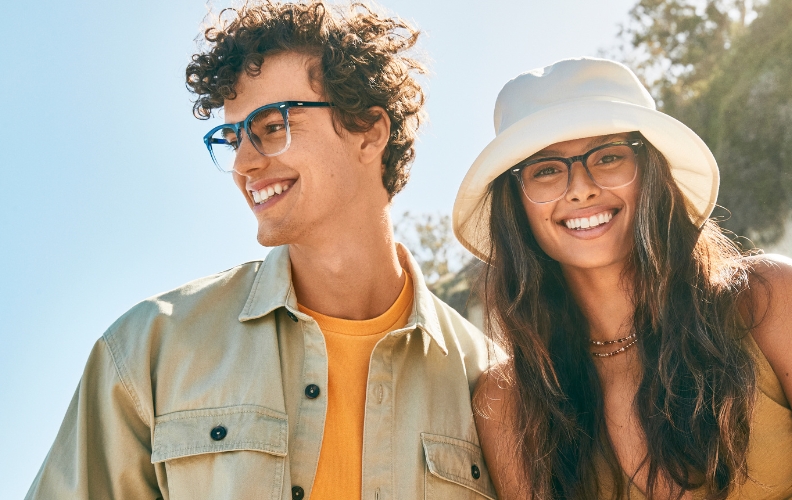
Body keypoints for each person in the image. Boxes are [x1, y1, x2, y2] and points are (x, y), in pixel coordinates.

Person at [26, 2, 497, 499]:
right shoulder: (149, 349)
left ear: (369, 130)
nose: (245, 164)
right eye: (232, 139)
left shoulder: (490, 382)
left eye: (272, 127)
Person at [452, 57, 792, 499]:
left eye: (608, 157)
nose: (581, 186)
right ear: (516, 203)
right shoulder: (508, 405)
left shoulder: (770, 303)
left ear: (651, 171)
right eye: (546, 169)